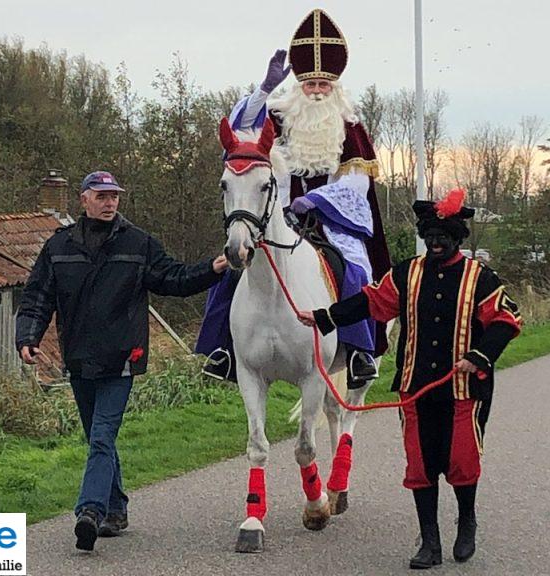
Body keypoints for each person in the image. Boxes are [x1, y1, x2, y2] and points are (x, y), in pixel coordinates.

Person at [298, 189, 522, 569]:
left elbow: (506, 321)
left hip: (464, 388)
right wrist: (325, 318)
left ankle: (466, 521)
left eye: (443, 237)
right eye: (430, 236)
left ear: (457, 239)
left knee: (463, 462)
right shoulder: (406, 274)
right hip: (415, 387)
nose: (435, 243)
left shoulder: (480, 278)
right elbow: (370, 302)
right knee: (420, 465)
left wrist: (479, 356)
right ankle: (429, 541)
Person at [15, 170, 229, 552]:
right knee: (98, 438)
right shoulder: (59, 246)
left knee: (100, 437)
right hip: (79, 357)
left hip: (122, 357)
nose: (110, 202)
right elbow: (38, 295)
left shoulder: (138, 243)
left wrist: (210, 270)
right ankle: (116, 509)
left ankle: (90, 511)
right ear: (84, 200)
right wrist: (28, 337)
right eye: (101, 196)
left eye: (114, 196)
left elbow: (173, 279)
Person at [198, 8, 391, 387]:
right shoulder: (277, 117)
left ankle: (358, 352)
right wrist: (265, 88)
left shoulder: (350, 128)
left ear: (334, 87)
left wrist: (317, 202)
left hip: (330, 224)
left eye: (323, 85)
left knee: (354, 270)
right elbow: (240, 130)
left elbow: (357, 185)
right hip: (275, 217)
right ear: (298, 86)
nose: (317, 92)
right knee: (233, 267)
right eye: (310, 85)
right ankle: (221, 349)